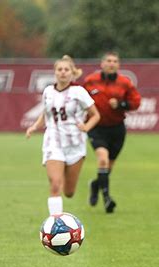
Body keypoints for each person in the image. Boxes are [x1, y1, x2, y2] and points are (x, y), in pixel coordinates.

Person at [26, 55, 100, 215]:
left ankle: (66, 175)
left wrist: (86, 126)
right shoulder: (48, 91)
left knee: (69, 192)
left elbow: (95, 115)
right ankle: (55, 224)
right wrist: (34, 127)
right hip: (54, 142)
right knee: (55, 185)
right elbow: (46, 114)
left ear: (72, 73)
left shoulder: (79, 92)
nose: (63, 73)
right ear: (55, 72)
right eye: (60, 69)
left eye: (66, 70)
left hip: (75, 144)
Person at [83, 51, 141, 213]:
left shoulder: (125, 83)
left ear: (118, 65)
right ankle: (107, 199)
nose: (111, 63)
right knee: (102, 159)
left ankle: (95, 185)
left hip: (117, 128)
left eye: (115, 61)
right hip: (96, 127)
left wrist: (121, 104)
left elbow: (136, 102)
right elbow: (79, 99)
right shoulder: (90, 81)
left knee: (108, 167)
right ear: (102, 64)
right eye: (108, 61)